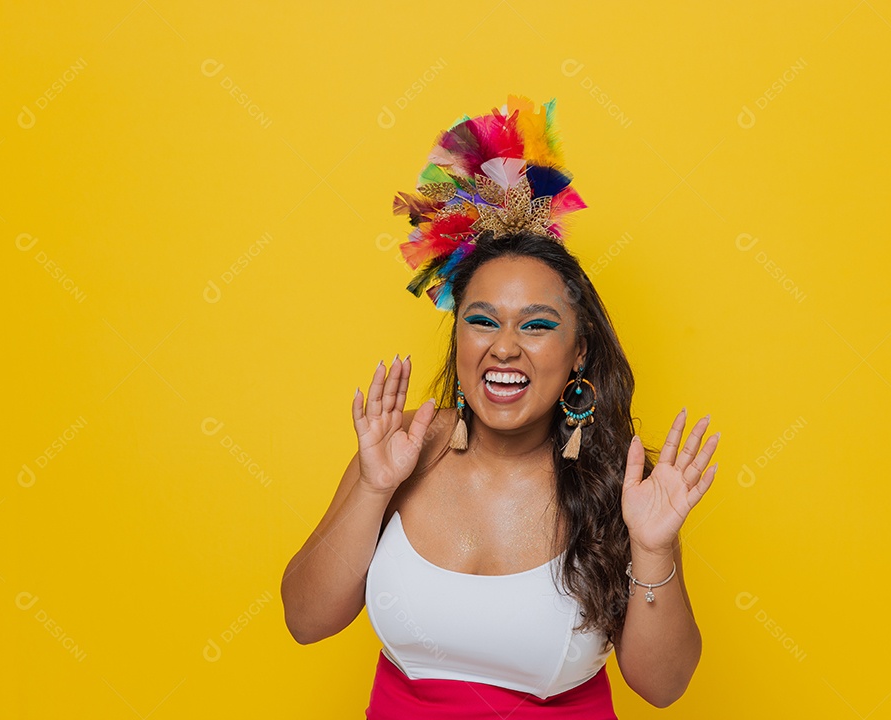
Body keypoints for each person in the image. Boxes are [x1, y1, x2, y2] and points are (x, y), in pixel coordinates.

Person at [280, 96, 721, 719]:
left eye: (537, 325)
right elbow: (305, 620)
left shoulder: (619, 487)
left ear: (579, 351)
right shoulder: (399, 449)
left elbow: (663, 685)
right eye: (482, 320)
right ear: (458, 337)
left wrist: (652, 549)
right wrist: (373, 488)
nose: (505, 347)